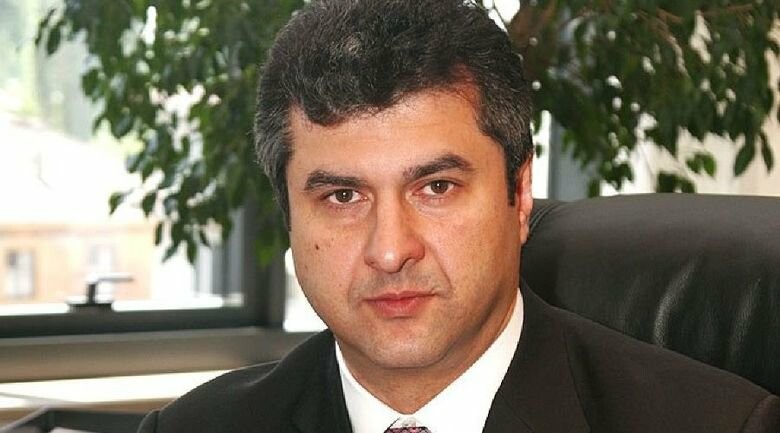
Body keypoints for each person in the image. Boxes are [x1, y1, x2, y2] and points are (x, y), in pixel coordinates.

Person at [137, 1, 780, 432]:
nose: (390, 251)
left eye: (436, 187)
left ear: (519, 194)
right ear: (289, 218)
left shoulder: (718, 424)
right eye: (342, 197)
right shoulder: (192, 428)